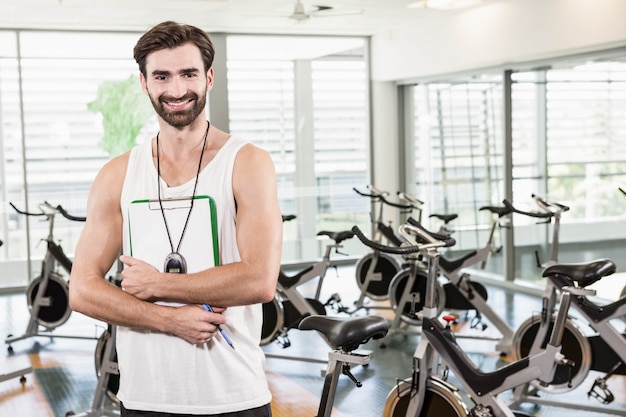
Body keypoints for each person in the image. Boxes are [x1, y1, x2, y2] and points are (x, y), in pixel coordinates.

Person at [69, 21, 282, 417]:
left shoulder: (247, 163)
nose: (177, 89)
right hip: (144, 397)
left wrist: (160, 284)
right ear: (144, 83)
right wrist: (168, 320)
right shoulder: (118, 174)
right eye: (162, 76)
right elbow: (82, 290)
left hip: (233, 395)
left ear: (209, 77)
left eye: (188, 73)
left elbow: (259, 280)